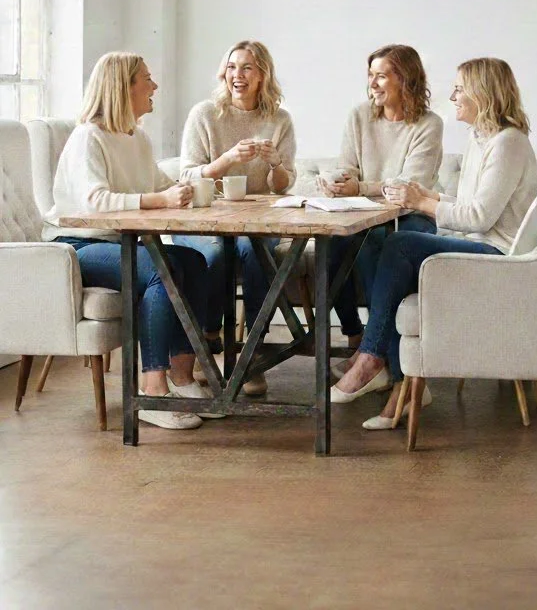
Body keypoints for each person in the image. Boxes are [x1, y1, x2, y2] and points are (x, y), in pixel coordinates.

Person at [332, 57, 537, 431]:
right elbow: (466, 207)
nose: (453, 95)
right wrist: (425, 194)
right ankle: (405, 385)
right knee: (390, 249)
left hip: (500, 258)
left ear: (483, 92)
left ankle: (372, 356)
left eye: (460, 87)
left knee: (400, 245)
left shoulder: (508, 143)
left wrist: (419, 202)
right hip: (479, 245)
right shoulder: (483, 139)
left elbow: (478, 218)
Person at [44, 52, 212, 430]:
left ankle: (183, 376)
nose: (154, 86)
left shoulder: (137, 138)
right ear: (125, 87)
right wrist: (158, 200)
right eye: (147, 79)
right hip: (77, 246)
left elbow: (157, 185)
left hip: (121, 244)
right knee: (161, 269)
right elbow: (95, 202)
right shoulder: (89, 136)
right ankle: (152, 388)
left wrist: (187, 189)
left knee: (195, 263)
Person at [174, 40, 297, 397]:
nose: (237, 76)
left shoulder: (279, 119)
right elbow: (187, 175)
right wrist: (227, 159)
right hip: (205, 217)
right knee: (212, 255)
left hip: (256, 220)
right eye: (231, 67)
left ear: (263, 76)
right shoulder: (205, 114)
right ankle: (208, 341)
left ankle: (252, 350)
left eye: (247, 68)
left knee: (255, 252)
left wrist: (275, 162)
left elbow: (283, 186)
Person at [321, 44, 443, 355]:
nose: (372, 84)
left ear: (405, 79)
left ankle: (384, 354)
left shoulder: (428, 124)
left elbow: (409, 187)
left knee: (374, 243)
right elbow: (347, 165)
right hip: (361, 213)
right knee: (330, 246)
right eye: (370, 76)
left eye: (381, 76)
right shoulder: (359, 116)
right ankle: (355, 336)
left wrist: (360, 187)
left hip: (413, 216)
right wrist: (338, 181)